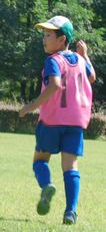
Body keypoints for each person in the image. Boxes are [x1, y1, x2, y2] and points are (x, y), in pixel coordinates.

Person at [19, 16, 96, 225]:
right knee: (70, 166)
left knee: (40, 160)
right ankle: (70, 211)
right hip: (77, 121)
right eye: (44, 35)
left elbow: (53, 85)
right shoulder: (79, 60)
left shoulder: (53, 60)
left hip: (53, 120)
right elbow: (92, 77)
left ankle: (46, 187)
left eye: (48, 35)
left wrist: (30, 106)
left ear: (62, 40)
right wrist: (85, 55)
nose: (44, 39)